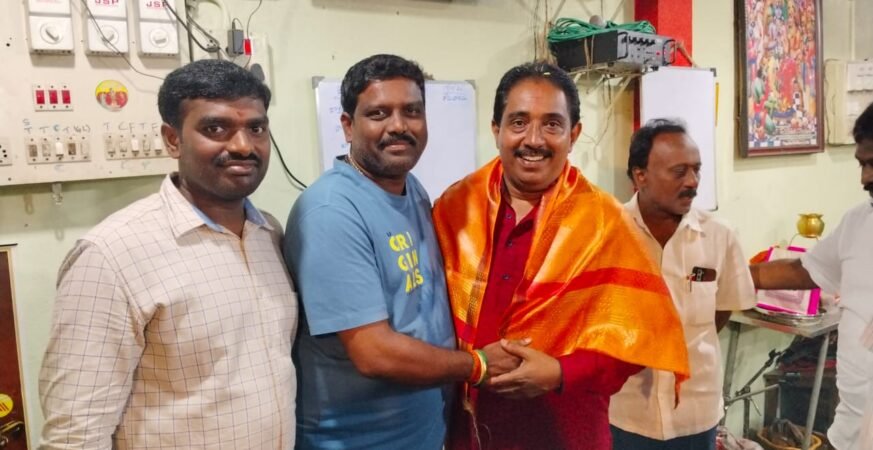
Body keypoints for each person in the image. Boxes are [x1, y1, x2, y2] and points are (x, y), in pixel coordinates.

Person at [38, 59, 298, 449]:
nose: (243, 146)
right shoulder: (112, 255)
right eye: (215, 128)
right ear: (172, 139)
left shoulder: (269, 234)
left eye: (256, 128)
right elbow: (75, 433)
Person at [432, 61, 691, 450]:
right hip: (468, 429)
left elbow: (639, 339)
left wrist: (560, 372)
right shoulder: (455, 208)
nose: (533, 139)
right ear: (496, 129)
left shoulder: (605, 223)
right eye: (519, 122)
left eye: (552, 124)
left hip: (565, 431)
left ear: (574, 135)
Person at [284, 54, 519, 450]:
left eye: (411, 111)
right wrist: (477, 364)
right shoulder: (331, 211)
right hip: (360, 442)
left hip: (421, 432)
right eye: (378, 113)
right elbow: (374, 353)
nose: (398, 126)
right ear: (348, 125)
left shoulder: (412, 189)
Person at [609, 119, 757, 450]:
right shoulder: (607, 235)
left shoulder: (718, 236)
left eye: (696, 170)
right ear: (640, 176)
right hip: (625, 410)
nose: (692, 182)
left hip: (696, 411)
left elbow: (721, 311)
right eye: (679, 172)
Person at [750, 101, 873, 450]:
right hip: (849, 434)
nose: (865, 178)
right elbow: (805, 269)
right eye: (862, 164)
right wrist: (733, 276)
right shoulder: (858, 222)